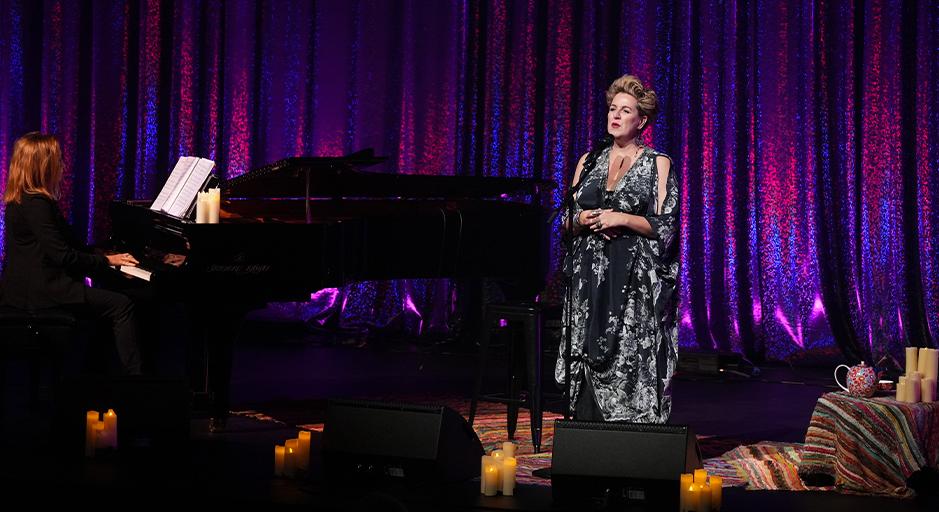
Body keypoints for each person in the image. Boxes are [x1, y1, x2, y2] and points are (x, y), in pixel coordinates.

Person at [556, 75, 680, 422]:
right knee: (585, 345)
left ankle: (629, 435)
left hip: (632, 278)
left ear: (640, 121)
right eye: (613, 109)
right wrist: (582, 218)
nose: (615, 116)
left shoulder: (657, 163)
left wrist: (621, 218)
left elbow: (665, 227)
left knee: (626, 349)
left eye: (625, 111)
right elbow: (565, 221)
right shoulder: (589, 160)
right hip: (587, 275)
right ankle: (584, 429)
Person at [0, 132, 143, 375]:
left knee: (104, 306)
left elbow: (69, 247)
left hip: (30, 289)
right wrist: (107, 261)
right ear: (44, 166)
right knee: (122, 305)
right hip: (42, 294)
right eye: (58, 161)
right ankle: (136, 384)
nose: (63, 167)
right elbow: (63, 256)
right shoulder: (37, 205)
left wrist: (103, 257)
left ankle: (93, 376)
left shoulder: (23, 200)